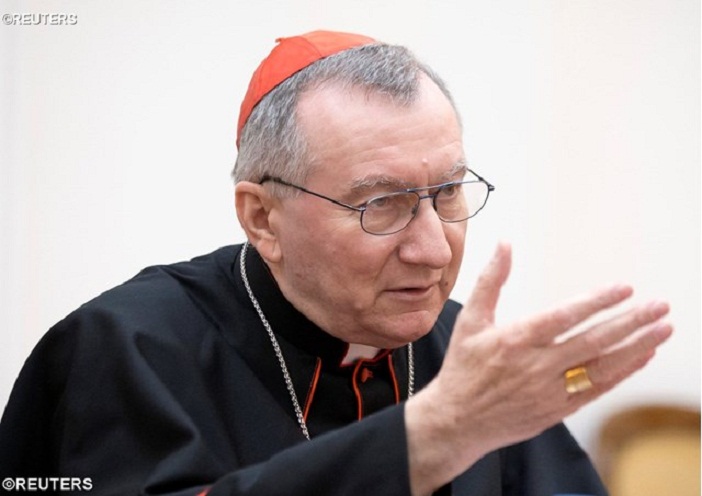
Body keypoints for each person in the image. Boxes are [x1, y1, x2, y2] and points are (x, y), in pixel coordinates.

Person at [0, 30, 672, 496]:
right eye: (381, 204)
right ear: (263, 218)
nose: (434, 250)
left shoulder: (467, 354)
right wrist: (426, 439)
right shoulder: (127, 346)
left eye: (448, 193)